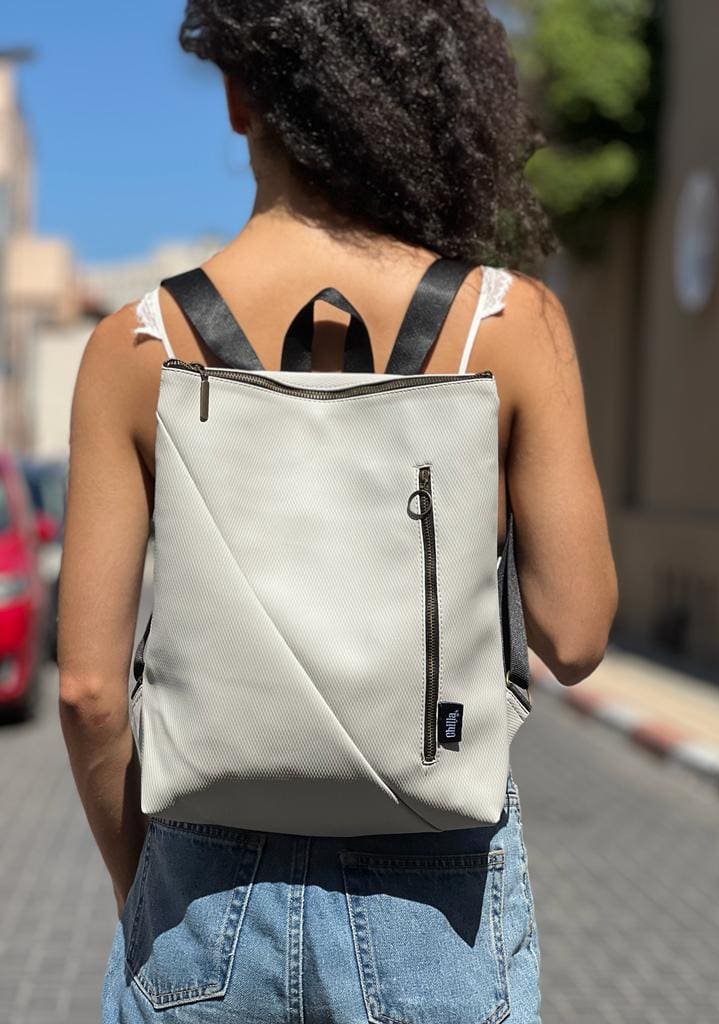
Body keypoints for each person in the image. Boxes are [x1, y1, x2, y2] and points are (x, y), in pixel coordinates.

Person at [57, 3, 618, 1022]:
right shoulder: (507, 325)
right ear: (428, 97)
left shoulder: (133, 347)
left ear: (238, 96)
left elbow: (91, 691)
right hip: (436, 897)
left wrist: (151, 889)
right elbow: (574, 635)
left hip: (200, 893)